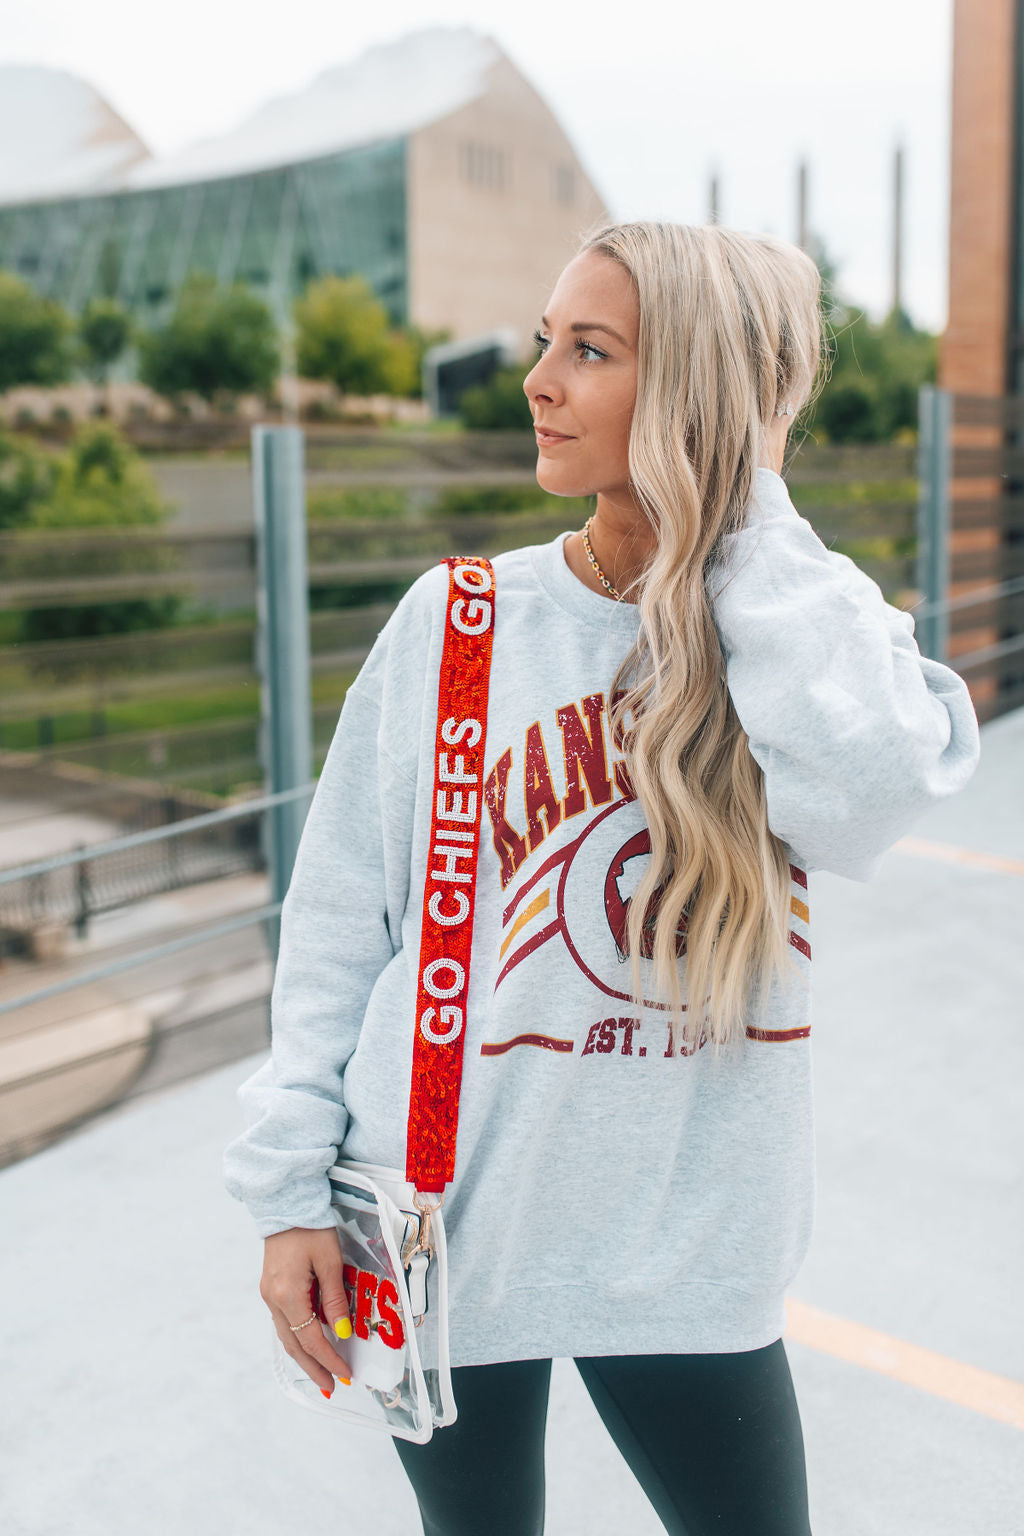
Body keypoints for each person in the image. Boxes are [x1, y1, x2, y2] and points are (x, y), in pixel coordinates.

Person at [223, 220, 981, 1536]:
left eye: (592, 350)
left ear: (694, 387)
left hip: (690, 1244)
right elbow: (342, 920)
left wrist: (745, 513)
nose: (539, 379)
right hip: (440, 1226)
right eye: (544, 343)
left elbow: (871, 794)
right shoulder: (460, 621)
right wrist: (292, 1191)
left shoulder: (803, 629)